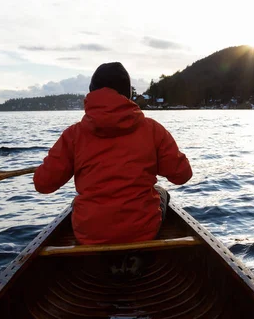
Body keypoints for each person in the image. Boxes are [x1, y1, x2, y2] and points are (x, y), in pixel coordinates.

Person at [33, 62, 192, 245]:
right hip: (143, 232)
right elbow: (183, 175)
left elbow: (42, 184)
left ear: (91, 92)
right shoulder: (153, 130)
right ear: (128, 94)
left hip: (89, 236)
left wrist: (48, 167)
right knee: (161, 192)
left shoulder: (73, 135)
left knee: (76, 205)